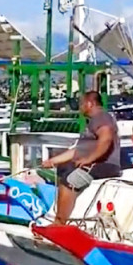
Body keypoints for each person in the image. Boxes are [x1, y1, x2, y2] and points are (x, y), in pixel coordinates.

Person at [42, 91, 121, 225]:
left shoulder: (101, 118)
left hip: (105, 165)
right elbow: (76, 151)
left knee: (70, 180)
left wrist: (89, 159)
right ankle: (60, 218)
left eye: (82, 104)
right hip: (95, 163)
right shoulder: (92, 122)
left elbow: (106, 140)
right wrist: (53, 161)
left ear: (90, 104)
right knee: (65, 172)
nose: (80, 107)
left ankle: (59, 223)